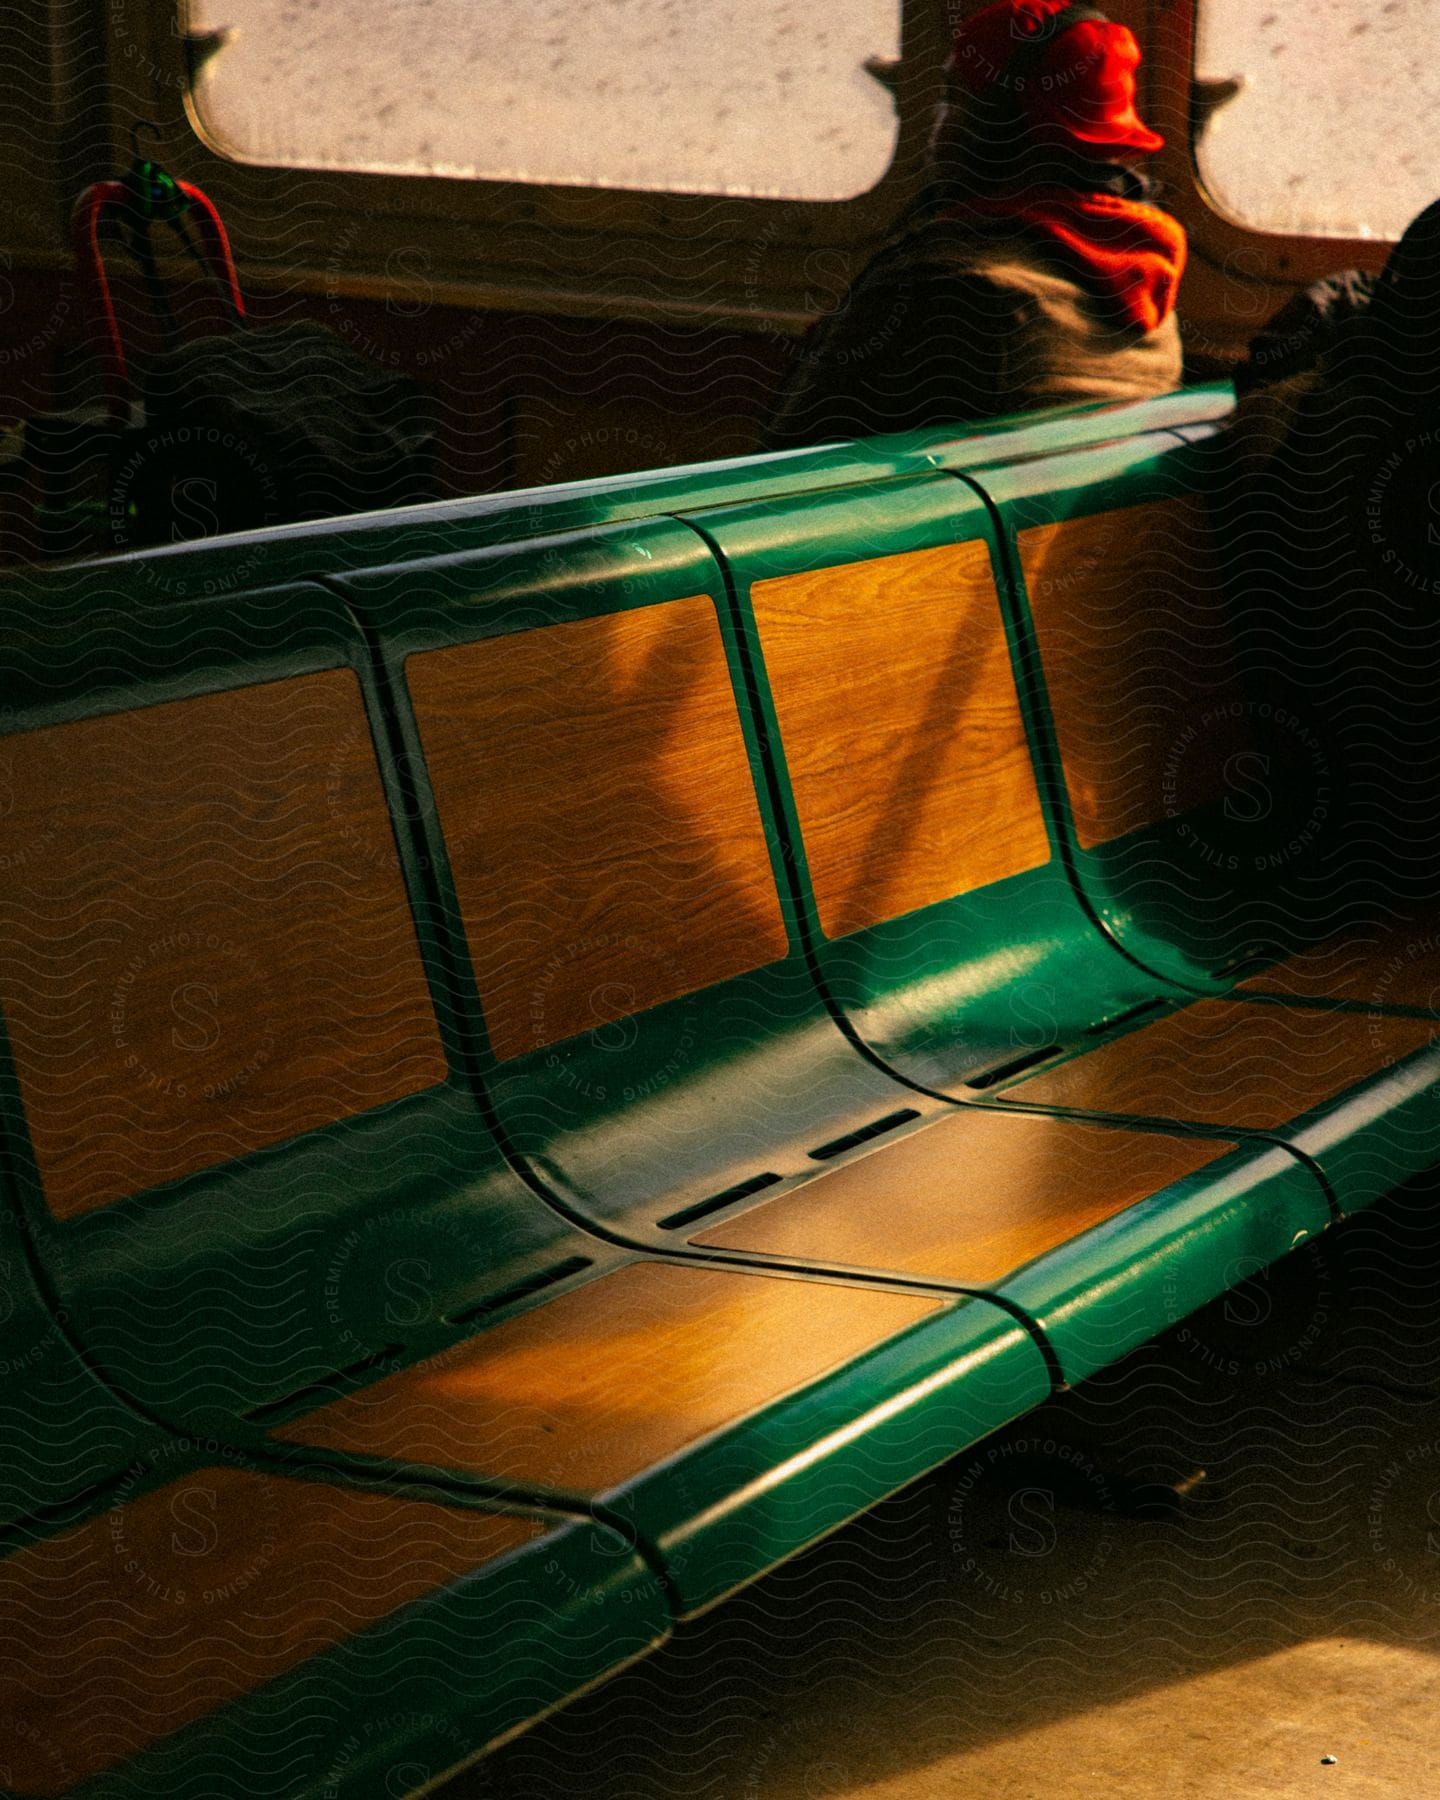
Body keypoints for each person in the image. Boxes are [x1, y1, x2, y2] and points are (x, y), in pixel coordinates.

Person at [761, 0, 1187, 450]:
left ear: (995, 126)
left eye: (952, 98)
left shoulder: (946, 289)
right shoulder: (1150, 297)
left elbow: (786, 468)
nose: (938, 126)